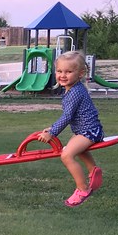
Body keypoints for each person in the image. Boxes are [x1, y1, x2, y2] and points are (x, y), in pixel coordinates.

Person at [37, 51, 104, 207]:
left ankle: (83, 189)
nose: (63, 75)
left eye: (68, 72)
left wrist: (52, 132)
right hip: (88, 130)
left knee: (66, 155)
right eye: (59, 71)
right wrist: (52, 127)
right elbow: (71, 115)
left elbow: (67, 116)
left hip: (89, 131)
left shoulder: (75, 92)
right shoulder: (73, 89)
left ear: (80, 73)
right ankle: (93, 171)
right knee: (76, 149)